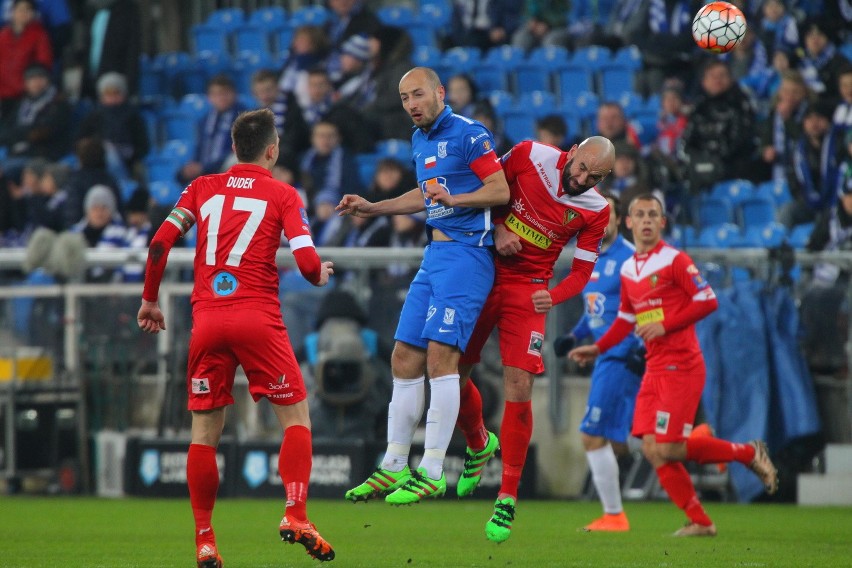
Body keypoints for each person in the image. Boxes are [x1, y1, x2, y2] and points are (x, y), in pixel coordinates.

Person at [136, 109, 336, 566]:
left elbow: (160, 243)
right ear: (272, 150)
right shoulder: (284, 193)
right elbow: (306, 263)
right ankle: (295, 514)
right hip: (257, 319)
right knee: (297, 418)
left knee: (205, 433)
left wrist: (150, 299)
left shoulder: (201, 187)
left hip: (207, 319)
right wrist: (320, 275)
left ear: (233, 148)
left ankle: (205, 540)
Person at [336, 66, 510, 504]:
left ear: (439, 92)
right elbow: (423, 193)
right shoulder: (420, 140)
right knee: (403, 356)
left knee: (440, 360)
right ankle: (395, 463)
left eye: (417, 95)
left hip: (468, 256)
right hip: (433, 257)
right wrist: (374, 208)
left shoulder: (471, 134)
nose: (411, 105)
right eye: (404, 99)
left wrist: (458, 200)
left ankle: (432, 467)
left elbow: (499, 190)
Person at [568, 193, 778, 537]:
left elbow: (707, 299)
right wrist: (597, 348)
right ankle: (700, 522)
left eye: (654, 214)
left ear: (662, 223)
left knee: (668, 447)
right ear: (630, 222)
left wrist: (666, 325)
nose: (648, 220)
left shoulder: (675, 260)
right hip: (654, 367)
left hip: (682, 365)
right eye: (641, 214)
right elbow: (624, 318)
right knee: (652, 449)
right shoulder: (628, 268)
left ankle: (747, 453)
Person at [453, 136, 614, 543]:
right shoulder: (530, 155)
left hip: (530, 290)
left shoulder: (597, 210)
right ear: (573, 150)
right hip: (483, 270)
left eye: (594, 177)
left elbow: (580, 273)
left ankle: (507, 496)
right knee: (450, 375)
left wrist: (554, 296)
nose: (582, 179)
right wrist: (502, 225)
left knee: (520, 384)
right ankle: (477, 443)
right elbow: (485, 194)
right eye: (581, 168)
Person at [551, 193, 643, 532]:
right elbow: (595, 312)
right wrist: (574, 337)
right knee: (620, 441)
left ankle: (614, 515)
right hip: (605, 355)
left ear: (620, 220)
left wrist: (638, 348)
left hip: (622, 356)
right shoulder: (586, 257)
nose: (601, 221)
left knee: (592, 435)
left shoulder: (630, 259)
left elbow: (640, 310)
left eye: (608, 215)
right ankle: (691, 442)